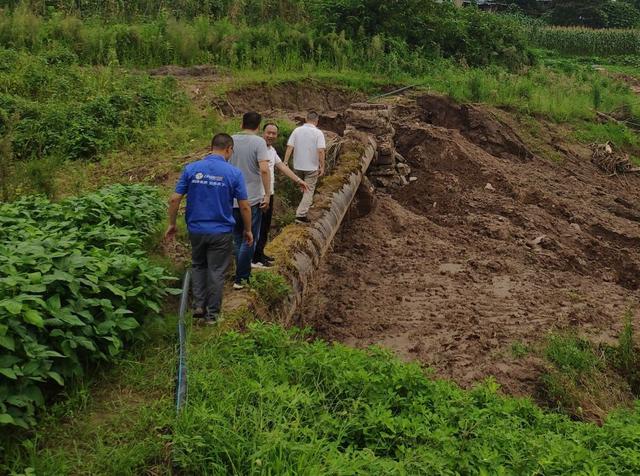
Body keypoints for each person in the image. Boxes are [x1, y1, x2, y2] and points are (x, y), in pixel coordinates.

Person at [165, 133, 253, 324]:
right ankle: (212, 315)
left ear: (211, 146)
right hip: (220, 232)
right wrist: (248, 229)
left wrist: (172, 224)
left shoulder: (192, 169)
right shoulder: (233, 173)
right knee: (216, 271)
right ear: (229, 149)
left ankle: (198, 305)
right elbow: (245, 206)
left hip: (196, 229)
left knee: (198, 266)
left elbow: (174, 199)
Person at [252, 123, 310, 268]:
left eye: (274, 133)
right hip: (259, 194)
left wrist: (298, 180)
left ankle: (260, 254)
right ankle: (254, 258)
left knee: (265, 226)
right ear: (262, 133)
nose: (271, 136)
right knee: (256, 227)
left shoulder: (271, 150)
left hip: (269, 193)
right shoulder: (257, 149)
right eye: (268, 133)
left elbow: (282, 166)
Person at [230, 112, 271, 288]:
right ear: (258, 126)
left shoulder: (230, 140)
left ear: (242, 124)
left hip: (230, 198)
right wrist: (267, 194)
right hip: (251, 198)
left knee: (237, 237)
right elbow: (263, 169)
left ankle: (240, 272)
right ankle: (242, 277)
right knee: (250, 237)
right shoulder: (259, 142)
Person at [284, 111, 326, 223]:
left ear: (306, 119)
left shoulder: (297, 130)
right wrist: (322, 166)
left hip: (297, 166)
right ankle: (301, 215)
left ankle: (300, 207)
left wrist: (286, 161)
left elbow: (290, 146)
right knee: (309, 190)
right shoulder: (318, 133)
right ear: (317, 121)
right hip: (311, 167)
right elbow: (321, 151)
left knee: (302, 187)